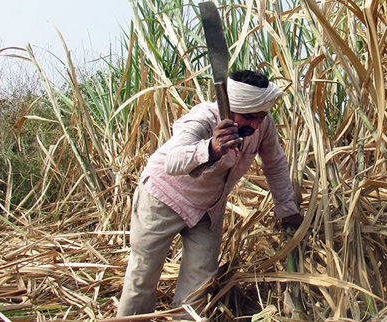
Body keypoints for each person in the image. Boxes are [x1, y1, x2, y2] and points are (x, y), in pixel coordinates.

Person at [116, 69, 304, 317]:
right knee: (143, 276)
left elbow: (275, 164)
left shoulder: (262, 125)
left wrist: (287, 208)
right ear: (231, 107)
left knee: (199, 282)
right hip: (162, 199)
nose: (256, 124)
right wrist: (211, 148)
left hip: (207, 210)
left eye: (261, 116)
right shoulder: (203, 119)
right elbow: (173, 161)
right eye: (249, 117)